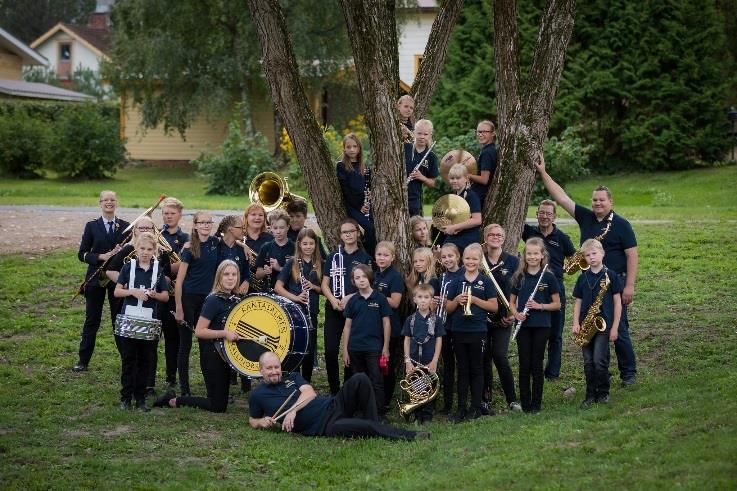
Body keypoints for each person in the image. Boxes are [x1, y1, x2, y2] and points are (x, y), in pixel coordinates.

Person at [535, 153, 638, 386]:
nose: (597, 204)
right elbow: (560, 197)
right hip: (589, 282)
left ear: (611, 202)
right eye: (594, 200)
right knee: (592, 329)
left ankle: (628, 373)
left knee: (618, 329)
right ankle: (601, 372)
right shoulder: (585, 217)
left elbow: (632, 255)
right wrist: (543, 172)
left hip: (614, 283)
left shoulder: (622, 225)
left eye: (602, 200)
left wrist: (629, 285)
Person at [248, 352, 429, 441]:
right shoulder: (257, 395)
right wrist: (261, 422)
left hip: (333, 405)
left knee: (360, 378)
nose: (274, 372)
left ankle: (371, 422)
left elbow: (310, 393)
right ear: (260, 370)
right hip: (326, 426)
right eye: (269, 368)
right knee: (364, 426)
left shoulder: (292, 377)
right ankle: (411, 436)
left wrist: (292, 411)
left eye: (276, 367)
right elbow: (252, 420)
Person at [154, 260, 245, 412]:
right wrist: (224, 333)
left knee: (220, 401)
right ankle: (172, 400)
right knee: (218, 406)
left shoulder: (236, 299)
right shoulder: (213, 300)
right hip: (213, 356)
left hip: (228, 355)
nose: (230, 278)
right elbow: (200, 331)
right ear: (219, 277)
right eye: (226, 274)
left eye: (234, 274)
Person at [105, 216, 173, 397]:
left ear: (154, 250)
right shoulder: (128, 267)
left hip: (149, 319)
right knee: (129, 359)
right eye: (142, 248)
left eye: (149, 249)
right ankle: (126, 397)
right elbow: (117, 292)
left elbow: (165, 296)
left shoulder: (158, 269)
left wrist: (154, 295)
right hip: (129, 318)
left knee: (146, 358)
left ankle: (141, 397)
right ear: (136, 249)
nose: (145, 252)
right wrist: (133, 291)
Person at [74, 190, 130, 372]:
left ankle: (126, 360)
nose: (109, 202)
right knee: (92, 320)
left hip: (117, 279)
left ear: (116, 203)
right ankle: (83, 360)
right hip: (95, 278)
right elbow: (82, 254)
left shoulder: (126, 226)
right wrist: (101, 256)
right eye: (105, 200)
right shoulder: (91, 226)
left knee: (119, 320)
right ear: (100, 203)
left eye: (112, 199)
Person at [521, 199, 576, 381]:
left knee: (555, 334)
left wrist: (563, 271)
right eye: (542, 213)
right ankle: (532, 369)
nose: (545, 216)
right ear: (537, 214)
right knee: (533, 331)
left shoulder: (562, 238)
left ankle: (552, 373)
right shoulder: (528, 232)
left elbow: (575, 259)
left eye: (549, 213)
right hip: (532, 287)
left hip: (555, 288)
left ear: (555, 217)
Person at [444, 243, 497, 422]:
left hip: (478, 330)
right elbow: (448, 309)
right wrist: (456, 300)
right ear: (462, 259)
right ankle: (461, 408)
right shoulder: (456, 281)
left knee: (477, 368)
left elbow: (494, 307)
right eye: (467, 258)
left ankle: (476, 406)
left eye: (474, 258)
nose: (470, 261)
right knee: (463, 369)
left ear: (480, 261)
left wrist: (474, 300)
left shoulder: (486, 281)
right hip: (458, 330)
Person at [509, 238, 561, 413]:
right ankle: (525, 403)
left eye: (535, 253)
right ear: (525, 256)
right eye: (529, 253)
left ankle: (536, 405)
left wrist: (540, 306)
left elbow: (557, 304)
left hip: (542, 326)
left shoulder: (548, 277)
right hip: (523, 326)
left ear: (542, 255)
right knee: (524, 364)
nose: (532, 256)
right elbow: (512, 303)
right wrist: (516, 314)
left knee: (536, 364)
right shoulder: (519, 276)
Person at [321, 218, 373, 394]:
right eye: (345, 232)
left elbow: (368, 286)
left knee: (351, 351)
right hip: (334, 308)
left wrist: (350, 296)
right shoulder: (333, 257)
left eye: (352, 231)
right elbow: (324, 284)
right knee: (330, 350)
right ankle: (334, 390)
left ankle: (348, 389)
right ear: (340, 236)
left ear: (358, 233)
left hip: (355, 309)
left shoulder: (365, 258)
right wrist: (333, 300)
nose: (348, 234)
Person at [174, 211, 220, 397]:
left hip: (208, 300)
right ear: (195, 225)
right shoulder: (190, 247)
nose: (206, 225)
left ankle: (210, 387)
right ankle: (184, 389)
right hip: (188, 299)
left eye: (209, 222)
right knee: (185, 345)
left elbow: (235, 241)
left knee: (206, 345)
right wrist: (178, 308)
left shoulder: (216, 243)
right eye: (202, 223)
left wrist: (244, 245)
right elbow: (179, 281)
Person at [573, 239, 622, 407]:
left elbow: (617, 303)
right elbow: (578, 302)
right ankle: (590, 394)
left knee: (599, 361)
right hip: (585, 325)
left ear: (602, 253)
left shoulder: (611, 276)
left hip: (604, 325)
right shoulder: (582, 278)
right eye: (587, 255)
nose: (591, 257)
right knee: (588, 363)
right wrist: (575, 323)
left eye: (594, 253)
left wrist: (615, 327)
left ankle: (603, 392)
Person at [481, 224, 522, 413]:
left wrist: (512, 315)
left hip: (504, 319)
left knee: (499, 356)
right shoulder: (478, 260)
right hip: (482, 318)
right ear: (485, 237)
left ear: (504, 239)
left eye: (499, 235)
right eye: (491, 234)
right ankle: (485, 399)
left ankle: (512, 399)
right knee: (484, 358)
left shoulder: (513, 261)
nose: (495, 237)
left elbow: (519, 290)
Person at [342, 264, 392, 415]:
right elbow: (347, 327)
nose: (361, 280)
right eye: (357, 277)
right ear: (353, 281)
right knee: (357, 380)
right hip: (355, 348)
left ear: (370, 278)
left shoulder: (380, 298)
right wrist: (345, 350)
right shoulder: (352, 301)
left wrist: (386, 347)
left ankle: (379, 412)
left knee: (376, 381)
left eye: (364, 276)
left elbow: (386, 323)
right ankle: (360, 411)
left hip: (374, 348)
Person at [275, 228, 323, 382]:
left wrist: (314, 287)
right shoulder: (292, 263)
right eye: (305, 244)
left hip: (311, 311)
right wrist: (295, 297)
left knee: (309, 348)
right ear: (299, 245)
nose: (308, 246)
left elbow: (325, 289)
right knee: (293, 347)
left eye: (311, 243)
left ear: (316, 245)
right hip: (294, 312)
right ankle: (291, 380)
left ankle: (306, 381)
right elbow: (278, 287)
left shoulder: (321, 264)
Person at [402, 284, 445, 424]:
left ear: (431, 299)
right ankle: (416, 413)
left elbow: (439, 340)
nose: (423, 300)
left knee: (430, 386)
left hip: (429, 360)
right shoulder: (410, 320)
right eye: (419, 297)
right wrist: (407, 361)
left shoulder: (437, 320)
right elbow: (406, 340)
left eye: (426, 297)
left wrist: (435, 360)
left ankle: (427, 415)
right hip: (413, 360)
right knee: (414, 386)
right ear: (414, 299)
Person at [159, 197, 188, 390]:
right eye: (166, 213)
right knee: (160, 336)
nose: (169, 216)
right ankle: (164, 374)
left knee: (175, 338)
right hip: (158, 292)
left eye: (172, 213)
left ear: (179, 215)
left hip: (176, 294)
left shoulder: (185, 239)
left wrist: (170, 270)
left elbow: (187, 265)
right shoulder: (156, 235)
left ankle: (173, 375)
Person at [372, 241, 405, 413]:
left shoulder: (395, 277)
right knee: (374, 366)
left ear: (392, 257)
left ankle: (385, 402)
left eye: (386, 255)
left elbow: (395, 302)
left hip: (390, 328)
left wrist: (374, 296)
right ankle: (375, 400)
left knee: (386, 366)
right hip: (374, 328)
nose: (382, 258)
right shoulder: (374, 275)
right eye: (379, 255)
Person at [336, 133, 376, 255]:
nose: (352, 149)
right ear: (344, 148)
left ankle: (370, 254)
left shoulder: (365, 167)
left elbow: (369, 187)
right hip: (352, 206)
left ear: (359, 148)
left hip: (365, 205)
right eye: (348, 147)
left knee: (374, 229)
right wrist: (360, 206)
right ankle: (369, 256)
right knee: (370, 228)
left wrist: (367, 204)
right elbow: (346, 190)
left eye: (355, 146)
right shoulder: (341, 166)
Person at [437, 243, 463, 414]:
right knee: (447, 365)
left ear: (458, 256)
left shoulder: (464, 275)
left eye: (450, 256)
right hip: (445, 326)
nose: (447, 259)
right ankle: (447, 405)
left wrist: (448, 302)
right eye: (444, 257)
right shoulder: (442, 278)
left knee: (462, 364)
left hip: (461, 326)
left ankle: (462, 402)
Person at [440, 163, 483, 256]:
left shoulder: (471, 196)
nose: (454, 181)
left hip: (467, 238)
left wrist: (454, 227)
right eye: (452, 178)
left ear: (466, 179)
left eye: (458, 178)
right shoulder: (456, 196)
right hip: (456, 236)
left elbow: (477, 220)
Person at [404, 119, 438, 217]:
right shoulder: (404, 148)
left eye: (425, 134)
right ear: (414, 133)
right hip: (398, 194)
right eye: (419, 133)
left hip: (414, 200)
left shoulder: (431, 156)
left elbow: (433, 183)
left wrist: (422, 177)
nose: (422, 137)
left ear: (430, 135)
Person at [256, 210, 295, 292]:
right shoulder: (266, 247)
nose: (278, 231)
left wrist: (280, 268)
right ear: (270, 228)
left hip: (290, 292)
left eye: (281, 228)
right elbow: (258, 275)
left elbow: (299, 274)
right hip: (269, 291)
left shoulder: (295, 248)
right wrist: (265, 271)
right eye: (275, 228)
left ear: (288, 227)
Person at [243, 202, 274, 293]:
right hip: (241, 286)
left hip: (264, 287)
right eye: (253, 214)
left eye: (261, 215)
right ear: (246, 217)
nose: (257, 218)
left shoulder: (270, 239)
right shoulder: (240, 237)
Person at [215, 215, 250, 295]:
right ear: (231, 230)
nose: (244, 231)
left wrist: (246, 281)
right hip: (217, 294)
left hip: (236, 295)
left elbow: (246, 272)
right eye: (241, 228)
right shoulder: (215, 247)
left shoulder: (242, 250)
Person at [469, 120, 498, 205]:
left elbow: (484, 180)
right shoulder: (489, 150)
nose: (480, 134)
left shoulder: (487, 153)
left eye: (484, 132)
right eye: (478, 132)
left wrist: (467, 175)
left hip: (479, 197)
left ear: (492, 134)